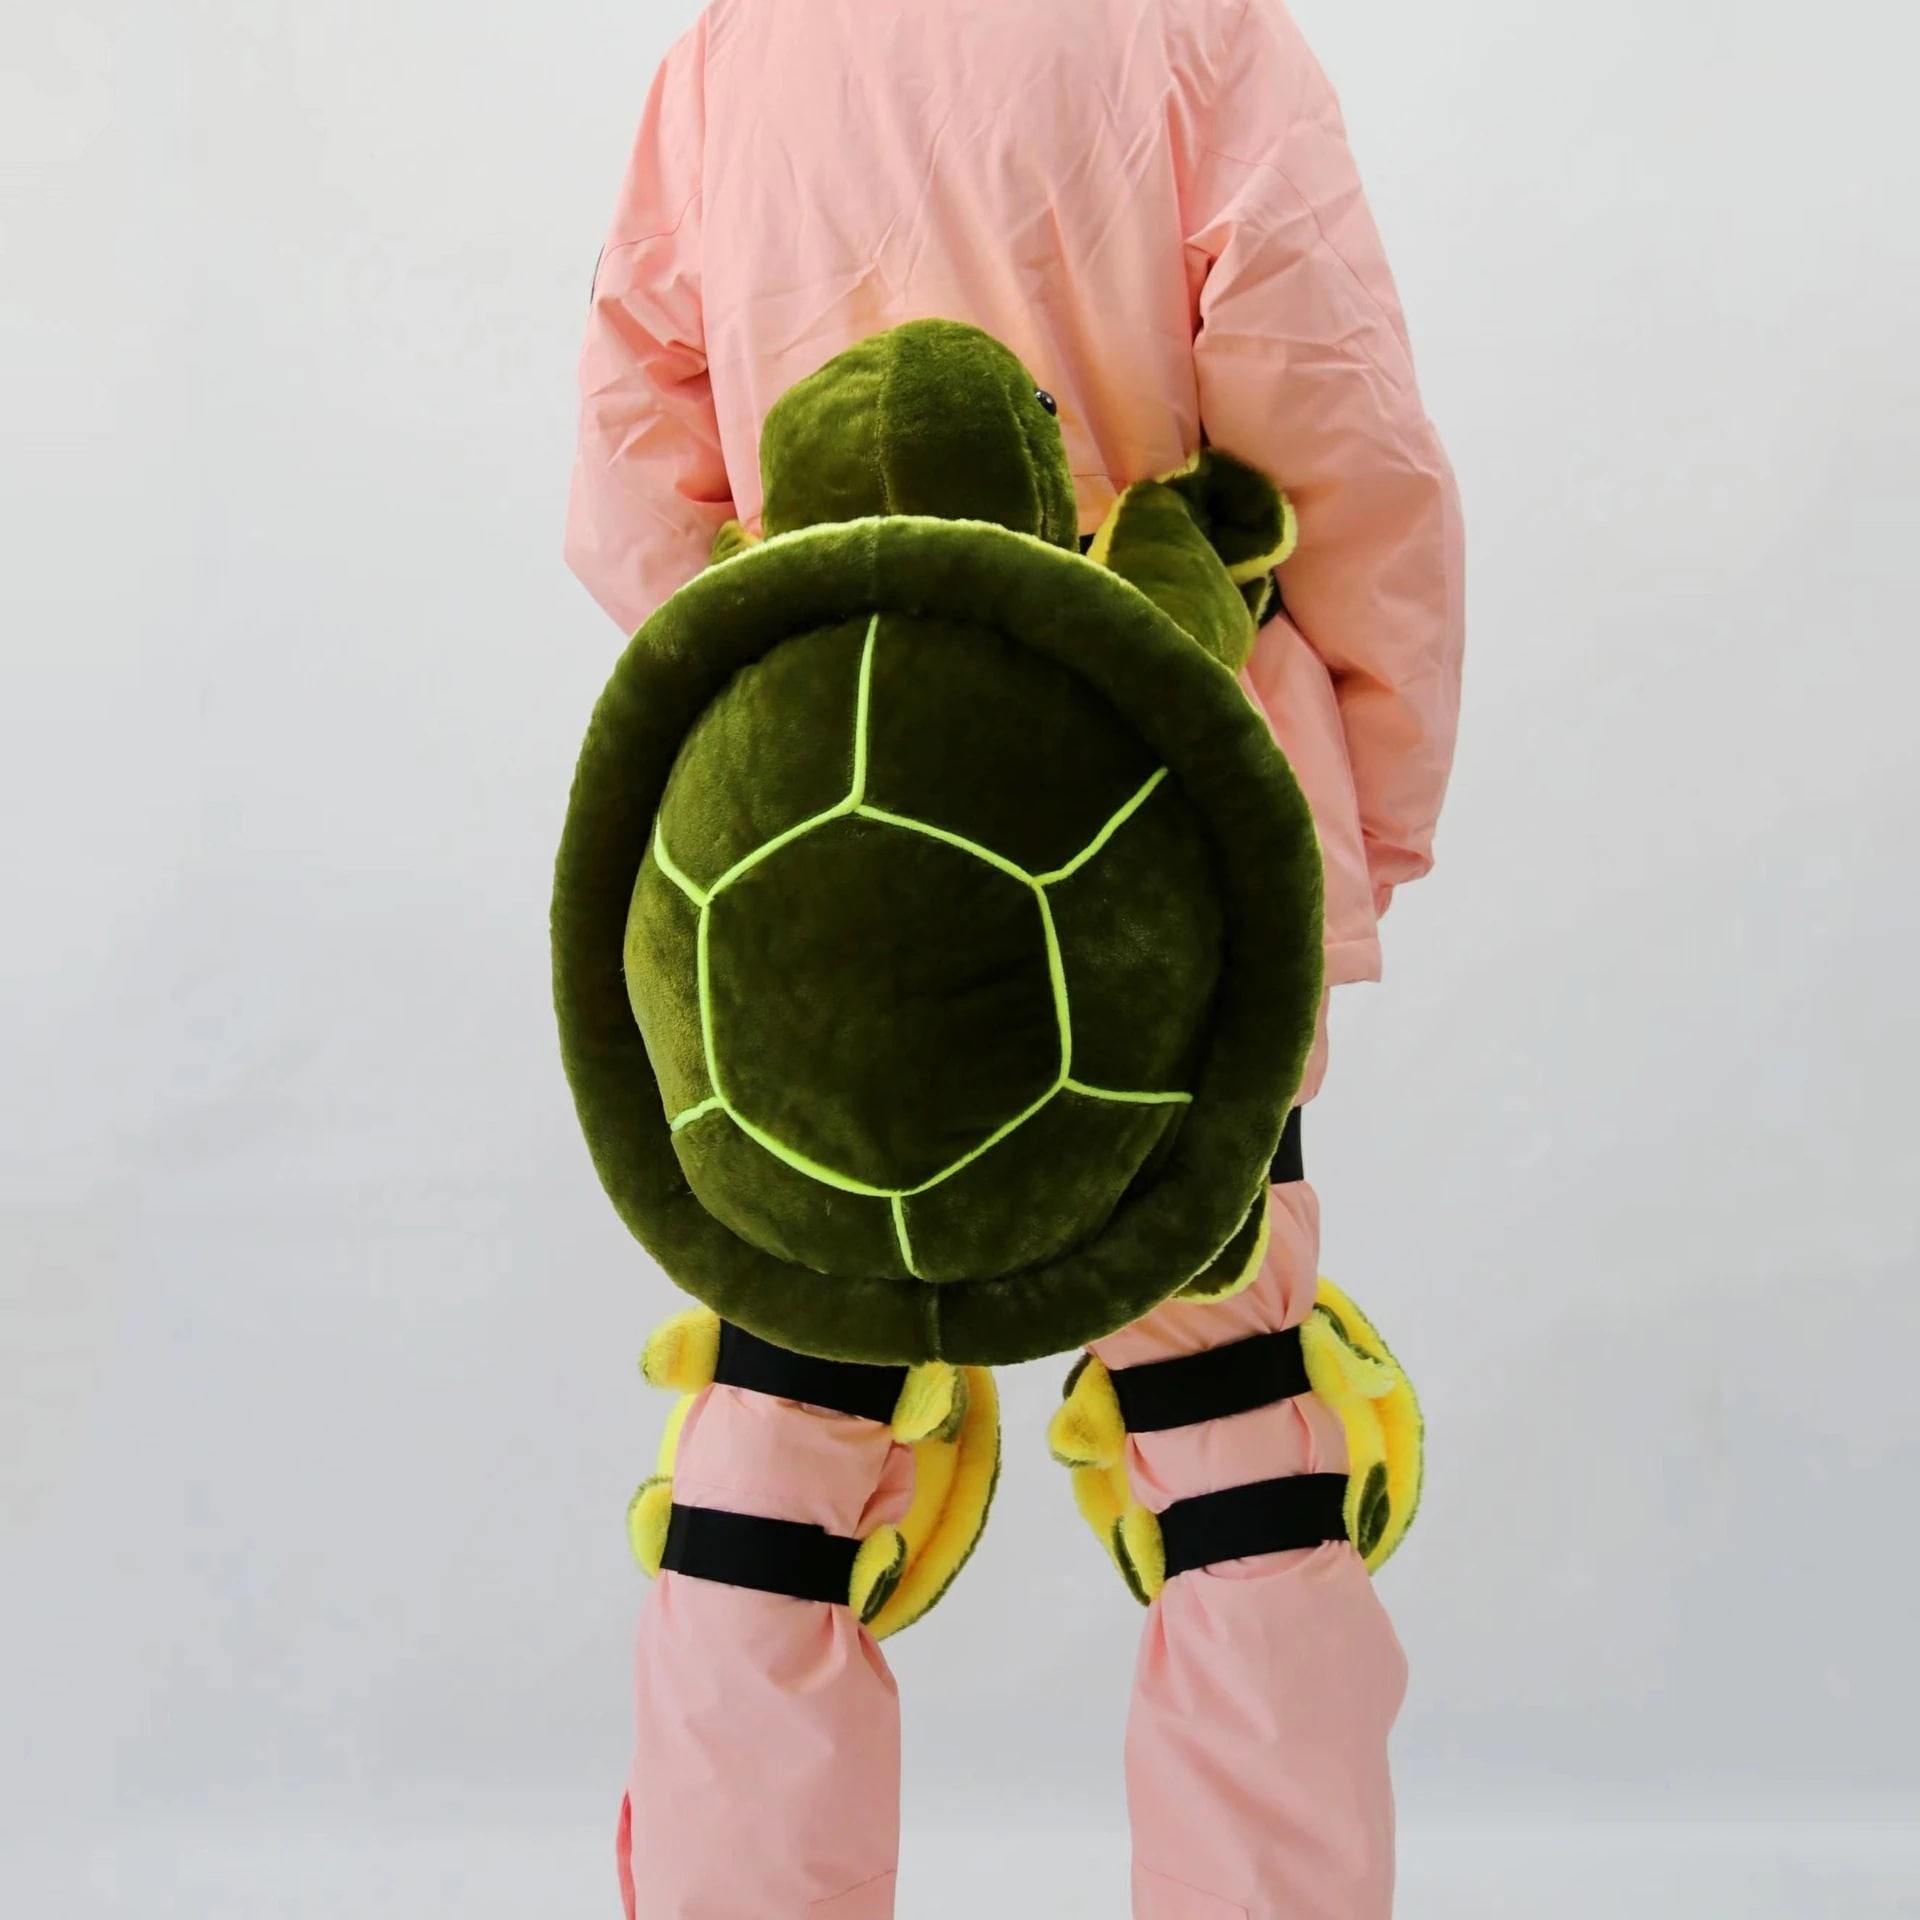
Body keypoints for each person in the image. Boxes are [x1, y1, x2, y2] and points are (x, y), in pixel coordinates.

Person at [564, 1, 1464, 1914]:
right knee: (1230, 1419)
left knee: (775, 1428)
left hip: (815, 902)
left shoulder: (733, 52)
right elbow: (1342, 436)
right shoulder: (1195, 37)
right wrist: (1361, 810)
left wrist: (783, 697)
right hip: (1169, 859)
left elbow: (630, 464)